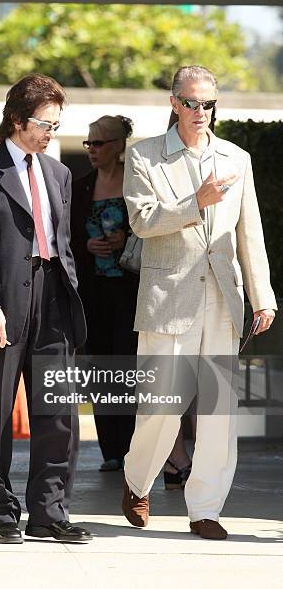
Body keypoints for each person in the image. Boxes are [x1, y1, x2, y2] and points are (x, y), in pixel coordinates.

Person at [121, 65, 276, 540]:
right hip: (169, 296)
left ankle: (205, 507)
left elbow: (250, 232)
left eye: (208, 103)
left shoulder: (237, 158)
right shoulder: (144, 155)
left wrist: (262, 295)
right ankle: (137, 480)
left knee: (218, 411)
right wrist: (197, 201)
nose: (201, 112)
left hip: (223, 297)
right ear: (174, 103)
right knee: (161, 405)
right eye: (191, 103)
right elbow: (142, 222)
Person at [0, 73, 92, 545]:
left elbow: (63, 245)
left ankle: (49, 512)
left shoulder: (59, 173)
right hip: (2, 304)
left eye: (56, 123)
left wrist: (69, 295)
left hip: (54, 300)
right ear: (16, 119)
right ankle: (0, 514)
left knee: (59, 413)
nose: (52, 132)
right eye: (44, 122)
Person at [71, 115, 139, 471]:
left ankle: (131, 447)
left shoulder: (138, 184)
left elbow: (150, 229)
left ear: (119, 145)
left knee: (127, 366)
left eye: (99, 143)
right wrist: (88, 245)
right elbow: (64, 239)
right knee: (98, 367)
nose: (92, 150)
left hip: (129, 290)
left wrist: (125, 240)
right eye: (89, 143)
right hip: (92, 291)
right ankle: (110, 450)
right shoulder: (80, 187)